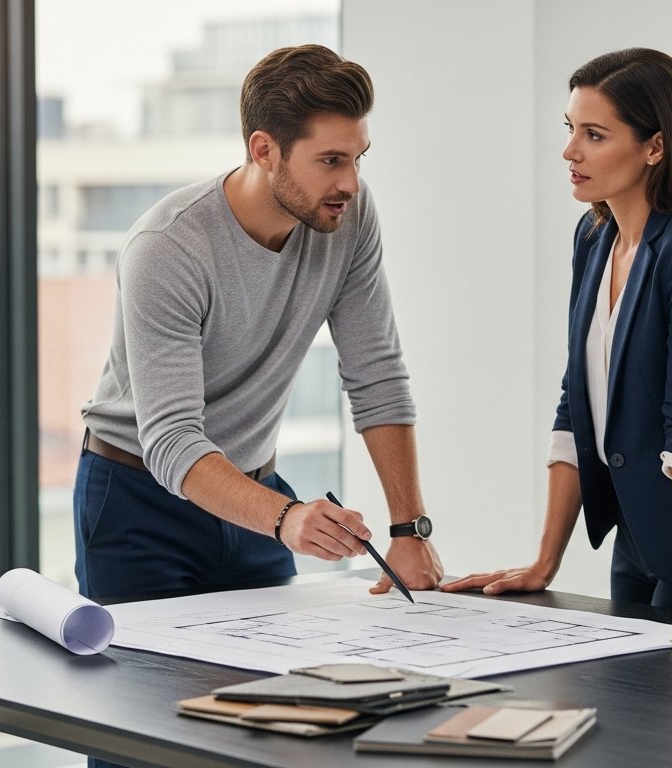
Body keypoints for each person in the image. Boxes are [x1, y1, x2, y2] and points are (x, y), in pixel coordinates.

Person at [74, 44, 443, 610]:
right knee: (147, 695)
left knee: (275, 692)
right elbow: (172, 441)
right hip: (139, 501)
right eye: (330, 161)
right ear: (264, 150)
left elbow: (377, 376)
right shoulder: (167, 248)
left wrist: (408, 530)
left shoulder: (348, 215)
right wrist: (287, 518)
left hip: (254, 494)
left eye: (357, 158)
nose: (350, 182)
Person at [442, 48, 672, 632]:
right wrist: (543, 563)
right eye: (570, 129)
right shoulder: (595, 235)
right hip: (641, 536)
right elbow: (575, 404)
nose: (570, 151)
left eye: (595, 134)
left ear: (654, 146)